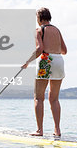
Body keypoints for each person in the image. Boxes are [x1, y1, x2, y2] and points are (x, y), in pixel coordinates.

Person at [22, 8, 67, 137]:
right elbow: (64, 50)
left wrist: (27, 61)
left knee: (38, 97)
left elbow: (40, 49)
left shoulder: (39, 30)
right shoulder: (57, 30)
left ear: (40, 18)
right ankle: (57, 130)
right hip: (59, 61)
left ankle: (39, 130)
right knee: (54, 98)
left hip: (45, 61)